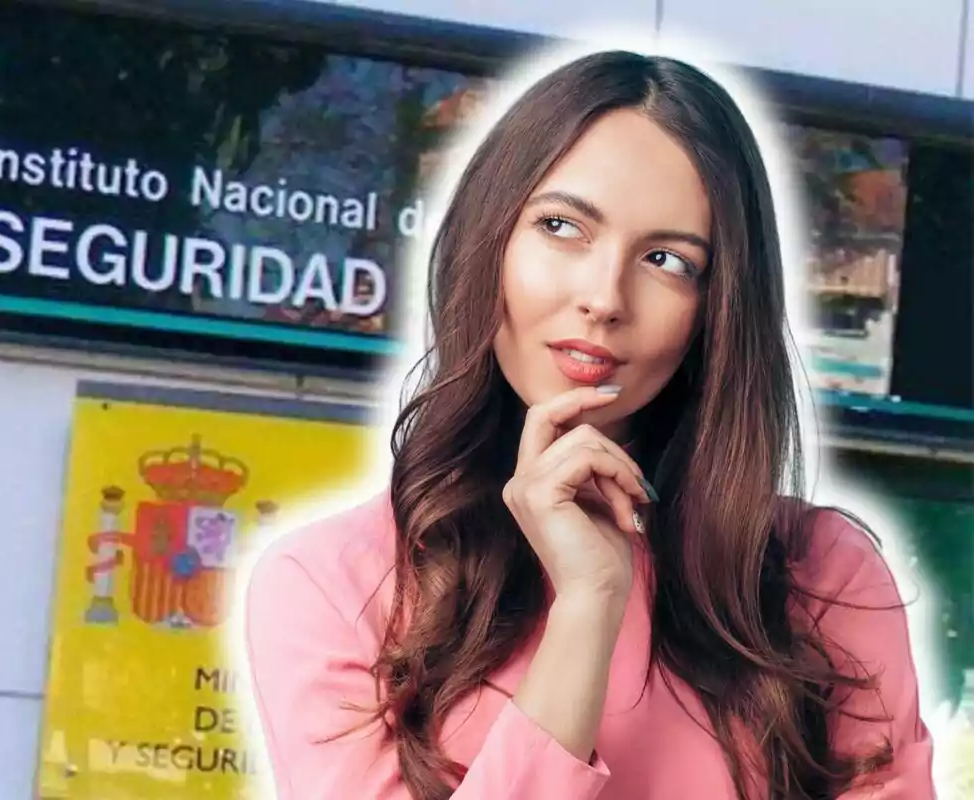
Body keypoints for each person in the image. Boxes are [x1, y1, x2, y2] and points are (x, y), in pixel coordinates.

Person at [240, 49, 935, 799]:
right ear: (490, 237)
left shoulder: (822, 574)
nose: (605, 297)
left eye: (667, 259)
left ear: (716, 309)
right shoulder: (333, 583)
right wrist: (587, 609)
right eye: (562, 226)